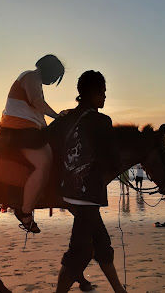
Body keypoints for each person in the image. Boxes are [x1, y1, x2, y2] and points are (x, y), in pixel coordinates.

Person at [49, 70, 126, 293]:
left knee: (102, 243)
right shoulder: (102, 121)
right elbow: (113, 160)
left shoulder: (65, 118)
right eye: (102, 92)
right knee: (79, 252)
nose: (104, 97)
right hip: (88, 193)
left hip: (68, 191)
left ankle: (119, 291)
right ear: (93, 93)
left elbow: (46, 140)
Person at [0, 54, 65, 233]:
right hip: (19, 128)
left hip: (27, 127)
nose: (53, 81)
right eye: (55, 76)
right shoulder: (31, 76)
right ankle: (25, 211)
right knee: (43, 164)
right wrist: (58, 116)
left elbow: (37, 113)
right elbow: (37, 102)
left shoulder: (34, 80)